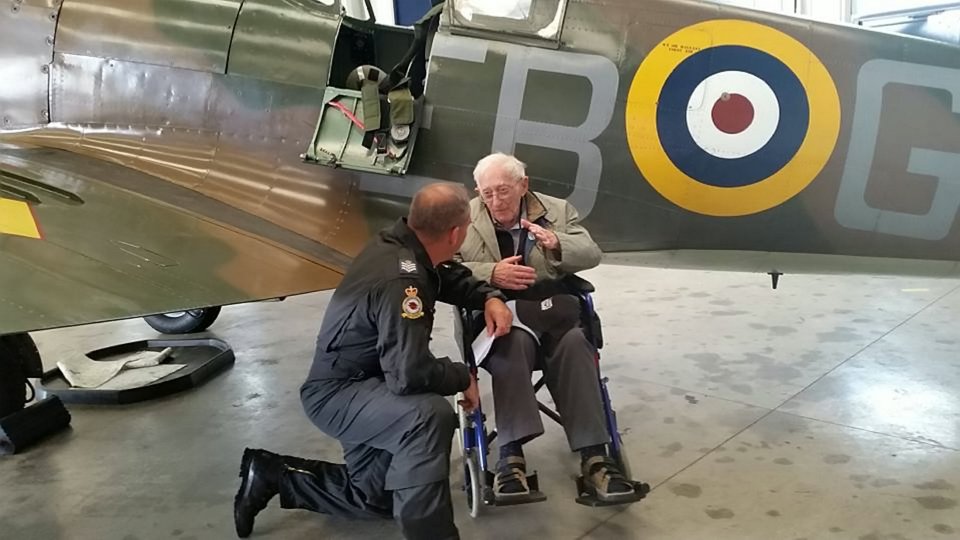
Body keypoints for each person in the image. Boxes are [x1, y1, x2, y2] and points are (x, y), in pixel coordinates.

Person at [233, 182, 513, 539]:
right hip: (340, 392)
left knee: (376, 499)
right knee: (427, 417)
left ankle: (273, 473)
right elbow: (407, 374)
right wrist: (461, 376)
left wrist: (488, 296)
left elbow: (441, 275)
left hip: (366, 383)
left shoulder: (400, 246)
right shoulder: (401, 278)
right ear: (456, 233)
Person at [455, 152, 637, 504]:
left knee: (575, 345)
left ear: (524, 185)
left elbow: (591, 252)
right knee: (510, 346)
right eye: (487, 192)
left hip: (553, 311)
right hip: (500, 314)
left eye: (504, 190)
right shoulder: (465, 217)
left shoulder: (557, 211)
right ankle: (511, 457)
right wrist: (491, 273)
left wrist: (556, 244)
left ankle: (595, 457)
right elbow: (447, 266)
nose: (495, 200)